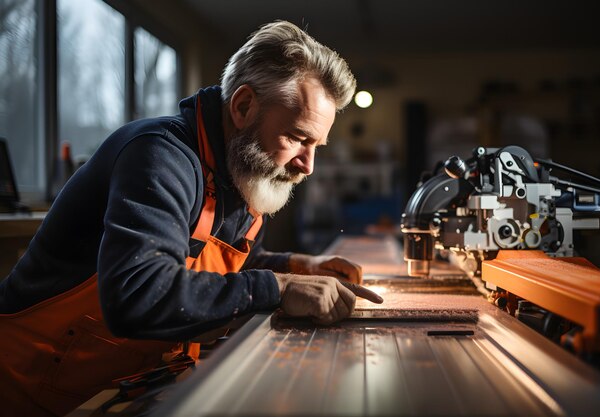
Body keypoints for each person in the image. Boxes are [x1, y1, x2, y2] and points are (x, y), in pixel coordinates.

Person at [0, 20, 380, 417]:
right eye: (298, 138)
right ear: (243, 106)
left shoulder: (243, 171)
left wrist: (297, 267)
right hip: (26, 390)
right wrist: (279, 287)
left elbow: (229, 265)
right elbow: (137, 294)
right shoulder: (160, 157)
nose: (308, 165)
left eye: (317, 145)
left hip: (115, 387)